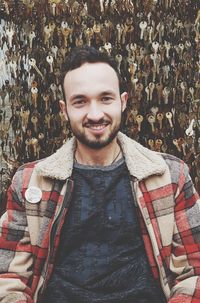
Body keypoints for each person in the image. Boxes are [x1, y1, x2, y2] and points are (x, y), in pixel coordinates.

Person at [0, 45, 200, 303]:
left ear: (123, 102)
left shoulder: (171, 177)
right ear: (64, 109)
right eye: (80, 101)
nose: (95, 114)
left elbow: (193, 273)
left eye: (106, 98)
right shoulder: (29, 183)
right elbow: (8, 278)